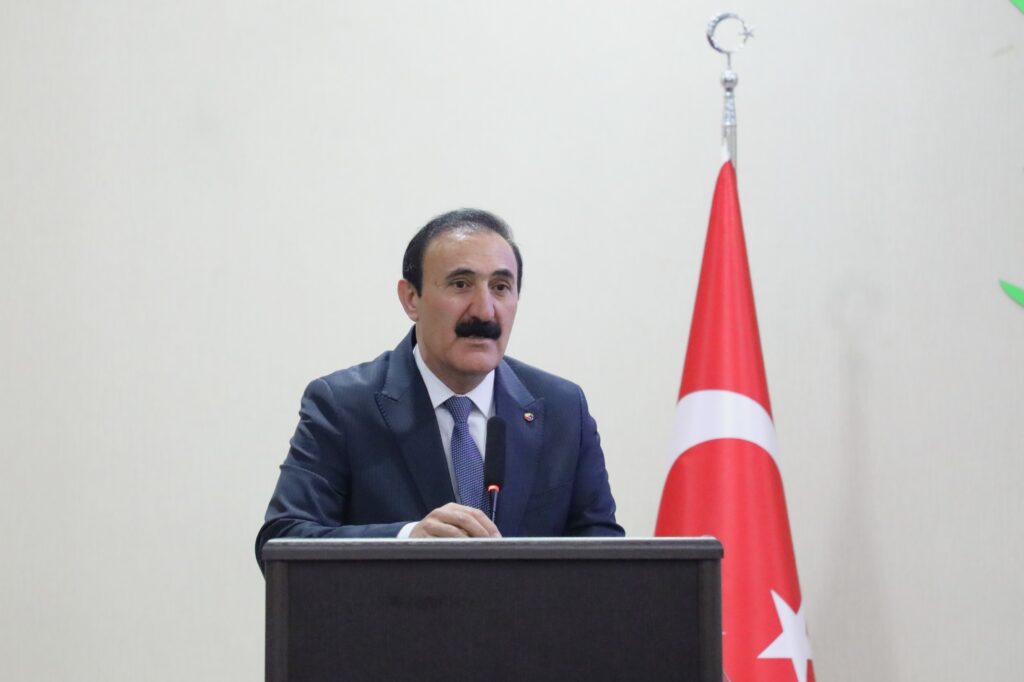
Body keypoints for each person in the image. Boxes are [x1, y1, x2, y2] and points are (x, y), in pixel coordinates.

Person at [255, 208, 623, 566]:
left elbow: (606, 559)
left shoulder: (563, 409)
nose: (484, 311)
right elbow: (283, 542)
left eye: (500, 287)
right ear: (411, 299)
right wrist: (406, 540)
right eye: (460, 284)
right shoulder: (342, 406)